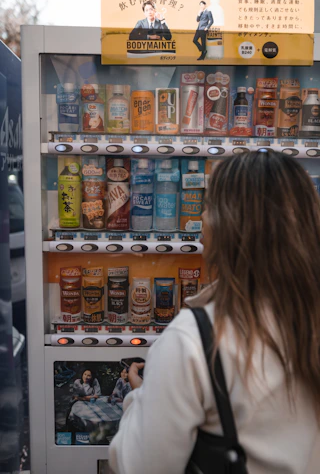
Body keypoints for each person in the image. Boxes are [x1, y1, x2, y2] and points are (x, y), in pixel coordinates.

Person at [109, 150, 320, 474]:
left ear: (228, 226)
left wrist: (140, 398)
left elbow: (139, 466)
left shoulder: (192, 340)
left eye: (207, 207)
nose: (201, 218)